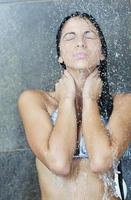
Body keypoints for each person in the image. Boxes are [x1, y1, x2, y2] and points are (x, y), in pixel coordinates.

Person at [18, 12, 131, 200]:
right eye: (70, 36)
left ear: (102, 53)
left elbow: (102, 161)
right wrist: (67, 98)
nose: (80, 42)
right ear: (60, 55)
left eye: (89, 34)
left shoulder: (123, 103)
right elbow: (59, 163)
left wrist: (89, 98)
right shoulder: (34, 100)